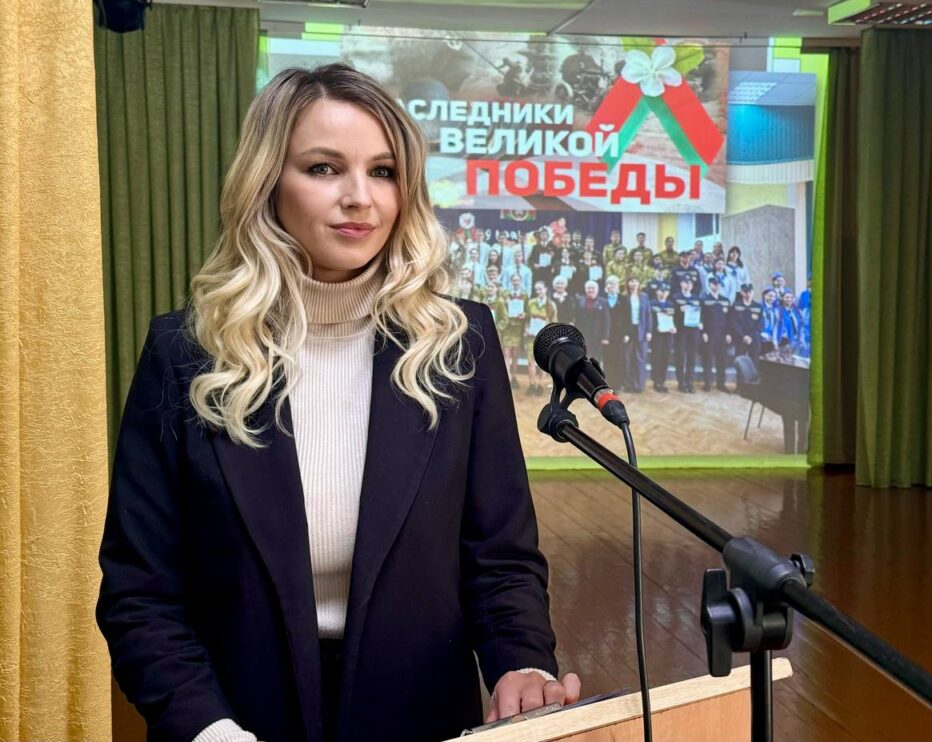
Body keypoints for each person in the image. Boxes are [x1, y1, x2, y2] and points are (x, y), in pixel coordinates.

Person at [95, 63, 579, 742]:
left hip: (417, 713)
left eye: (383, 171)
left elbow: (499, 557)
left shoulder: (458, 342)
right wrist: (209, 729)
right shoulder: (185, 353)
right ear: (267, 182)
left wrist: (520, 663)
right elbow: (140, 591)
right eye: (323, 168)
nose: (360, 198)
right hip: (234, 715)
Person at [524, 281, 558, 396]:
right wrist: (526, 329)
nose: (538, 291)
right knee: (530, 361)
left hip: (544, 338)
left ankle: (540, 385)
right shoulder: (531, 303)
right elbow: (527, 319)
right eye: (536, 289)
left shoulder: (551, 305)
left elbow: (554, 323)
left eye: (540, 289)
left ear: (545, 289)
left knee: (542, 362)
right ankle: (532, 384)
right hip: (531, 337)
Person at [700, 275, 732, 392]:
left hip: (722, 334)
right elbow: (701, 317)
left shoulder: (725, 301)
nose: (716, 286)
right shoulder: (704, 300)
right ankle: (707, 383)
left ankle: (721, 383)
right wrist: (703, 332)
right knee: (707, 359)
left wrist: (728, 333)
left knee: (721, 360)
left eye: (718, 284)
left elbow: (729, 319)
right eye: (714, 284)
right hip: (709, 334)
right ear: (709, 285)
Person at [671, 274, 701, 393]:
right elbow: (671, 313)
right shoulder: (676, 297)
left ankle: (689, 382)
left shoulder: (696, 298)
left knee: (691, 357)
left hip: (693, 331)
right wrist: (679, 311)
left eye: (689, 283)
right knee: (680, 357)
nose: (687, 285)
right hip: (681, 331)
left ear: (692, 286)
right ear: (681, 284)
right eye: (685, 282)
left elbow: (701, 313)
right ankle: (681, 382)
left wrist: (701, 322)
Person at [622, 277, 652, 393]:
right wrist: (624, 332)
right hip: (628, 332)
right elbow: (622, 317)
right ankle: (628, 384)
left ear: (639, 284)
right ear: (628, 284)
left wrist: (649, 331)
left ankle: (639, 385)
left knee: (640, 358)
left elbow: (648, 315)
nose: (633, 284)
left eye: (635, 281)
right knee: (627, 357)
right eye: (631, 281)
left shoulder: (644, 297)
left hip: (641, 331)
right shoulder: (624, 297)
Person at [502, 273, 529, 387]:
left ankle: (514, 377)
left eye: (517, 280)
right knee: (506, 353)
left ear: (520, 282)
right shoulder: (505, 294)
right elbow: (501, 309)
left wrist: (524, 314)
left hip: (518, 327)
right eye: (514, 280)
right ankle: (506, 378)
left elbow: (528, 311)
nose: (515, 282)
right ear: (511, 281)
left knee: (515, 354)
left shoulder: (525, 295)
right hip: (507, 327)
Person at [648, 282, 676, 393]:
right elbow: (649, 319)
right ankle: (656, 381)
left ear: (668, 293)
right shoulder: (652, 303)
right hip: (657, 335)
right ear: (657, 292)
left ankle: (662, 381)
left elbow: (675, 319)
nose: (663, 293)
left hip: (668, 335)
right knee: (656, 357)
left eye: (665, 291)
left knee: (665, 357)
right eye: (661, 290)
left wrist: (674, 327)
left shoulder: (671, 305)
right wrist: (654, 328)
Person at [572, 281, 610, 361]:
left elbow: (606, 321)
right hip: (583, 334)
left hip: (597, 335)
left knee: (596, 358)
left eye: (593, 288)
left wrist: (605, 337)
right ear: (585, 289)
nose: (591, 290)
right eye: (589, 288)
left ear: (597, 290)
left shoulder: (603, 302)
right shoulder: (579, 300)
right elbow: (576, 318)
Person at [730, 283, 763, 367]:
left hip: (754, 338)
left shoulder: (758, 307)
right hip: (740, 338)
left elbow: (760, 324)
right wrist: (743, 336)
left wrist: (750, 336)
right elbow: (733, 323)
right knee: (740, 362)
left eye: (750, 292)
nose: (748, 294)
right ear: (742, 292)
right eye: (745, 292)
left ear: (753, 292)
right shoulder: (736, 306)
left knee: (754, 361)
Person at [603, 275, 626, 389]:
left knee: (618, 358)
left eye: (614, 284)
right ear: (606, 286)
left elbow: (628, 317)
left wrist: (626, 333)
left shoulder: (623, 299)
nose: (612, 286)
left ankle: (617, 384)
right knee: (607, 358)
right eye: (609, 283)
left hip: (619, 334)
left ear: (618, 286)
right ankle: (607, 383)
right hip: (606, 334)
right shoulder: (602, 298)